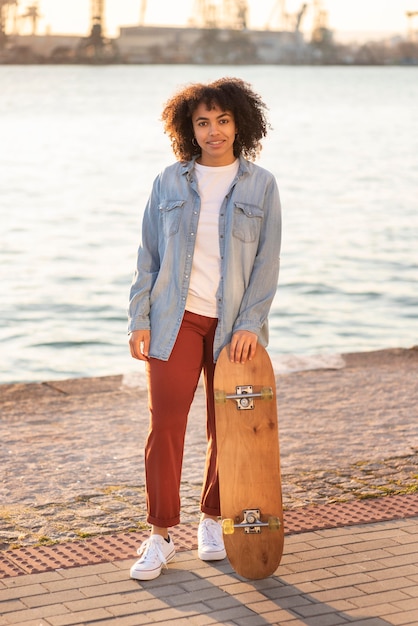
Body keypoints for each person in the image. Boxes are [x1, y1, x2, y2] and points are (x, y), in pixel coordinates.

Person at [128, 77, 282, 581]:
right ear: (188, 129)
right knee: (165, 429)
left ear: (240, 124)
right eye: (202, 122)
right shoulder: (168, 183)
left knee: (229, 431)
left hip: (233, 328)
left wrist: (251, 325)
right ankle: (160, 535)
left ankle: (212, 521)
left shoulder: (261, 185)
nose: (213, 131)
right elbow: (148, 258)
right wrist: (140, 319)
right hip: (176, 322)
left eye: (222, 120)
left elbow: (267, 263)